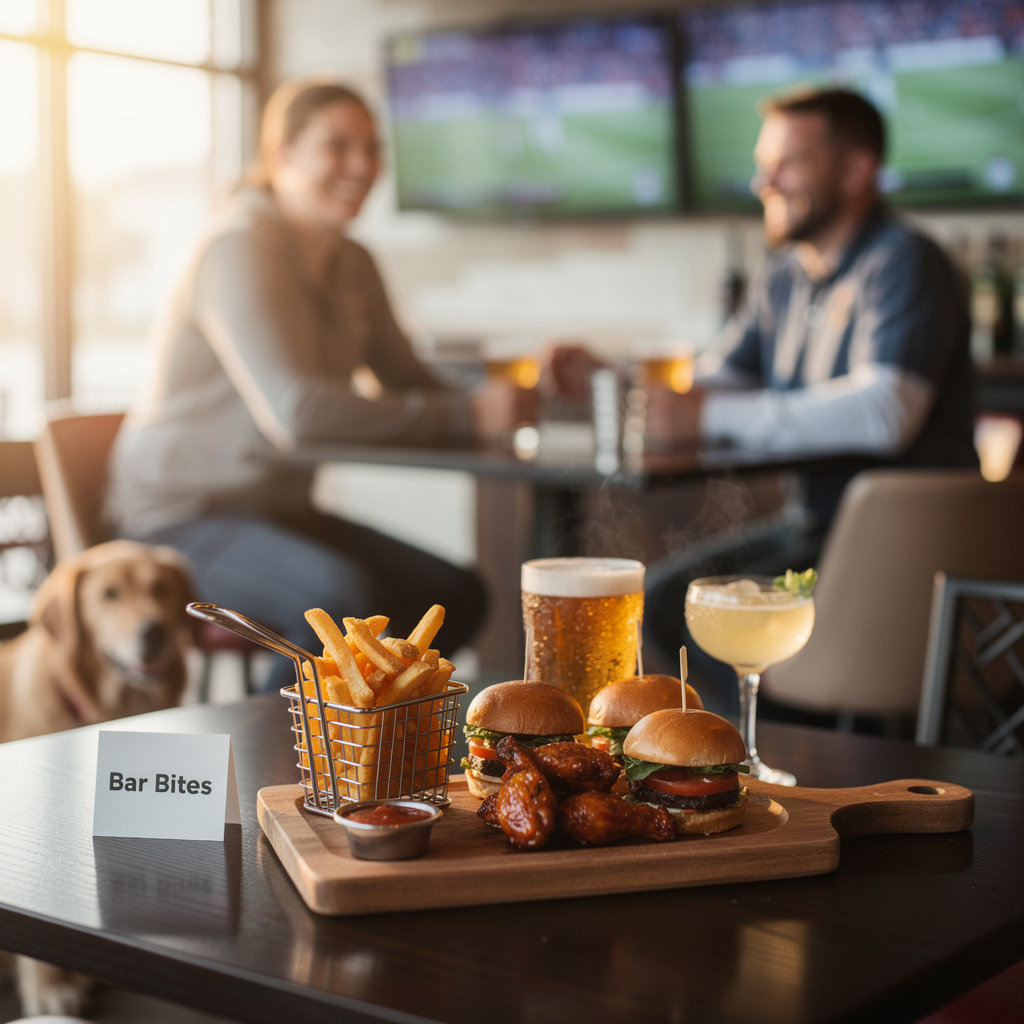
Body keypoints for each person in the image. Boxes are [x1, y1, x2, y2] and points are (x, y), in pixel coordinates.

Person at [547, 87, 978, 713]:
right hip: (820, 529)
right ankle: (760, 749)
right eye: (763, 162)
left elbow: (886, 411)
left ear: (857, 171)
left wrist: (706, 414)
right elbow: (716, 377)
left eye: (789, 163)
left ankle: (781, 751)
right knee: (670, 603)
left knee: (682, 608)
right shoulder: (786, 273)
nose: (763, 182)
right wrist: (607, 375)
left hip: (907, 548)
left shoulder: (903, 260)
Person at [104, 77, 536, 692]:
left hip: (278, 508)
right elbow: (298, 413)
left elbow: (409, 378)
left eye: (371, 148)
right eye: (337, 146)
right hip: (180, 516)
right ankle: (264, 759)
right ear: (281, 154)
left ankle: (366, 757)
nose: (362, 165)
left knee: (453, 595)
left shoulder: (353, 261)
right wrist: (471, 415)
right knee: (340, 605)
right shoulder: (236, 250)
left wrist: (515, 385)